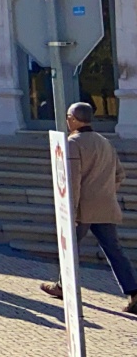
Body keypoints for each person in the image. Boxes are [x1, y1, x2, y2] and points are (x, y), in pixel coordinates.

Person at [40, 102, 137, 315]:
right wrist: (104, 191)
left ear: (73, 119)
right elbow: (119, 175)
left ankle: (64, 286)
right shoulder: (104, 142)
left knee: (70, 248)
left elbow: (72, 181)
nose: (67, 121)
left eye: (68, 117)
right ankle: (133, 291)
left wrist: (71, 210)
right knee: (114, 250)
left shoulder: (73, 143)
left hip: (83, 208)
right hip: (105, 205)